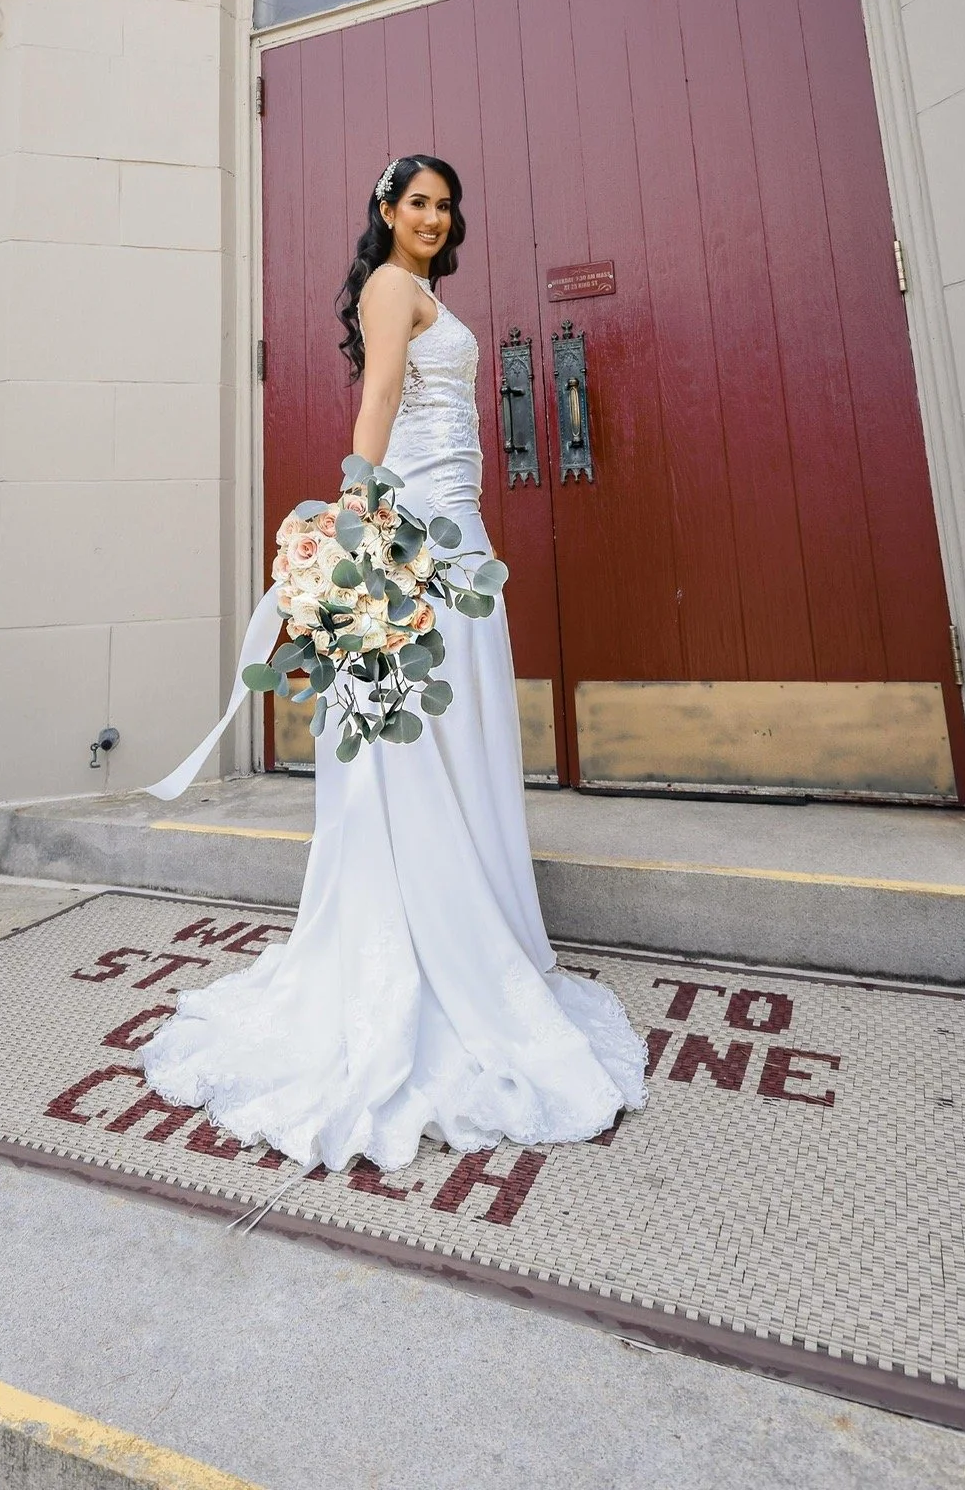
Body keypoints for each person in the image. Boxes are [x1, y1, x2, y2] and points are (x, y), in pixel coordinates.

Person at [141, 154, 646, 1171]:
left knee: (454, 735)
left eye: (446, 204)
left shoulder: (426, 293)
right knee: (414, 740)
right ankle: (418, 942)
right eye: (417, 201)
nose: (433, 215)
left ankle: (469, 921)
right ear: (385, 210)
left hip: (453, 532)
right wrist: (358, 522)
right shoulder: (387, 287)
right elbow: (376, 404)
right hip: (416, 535)